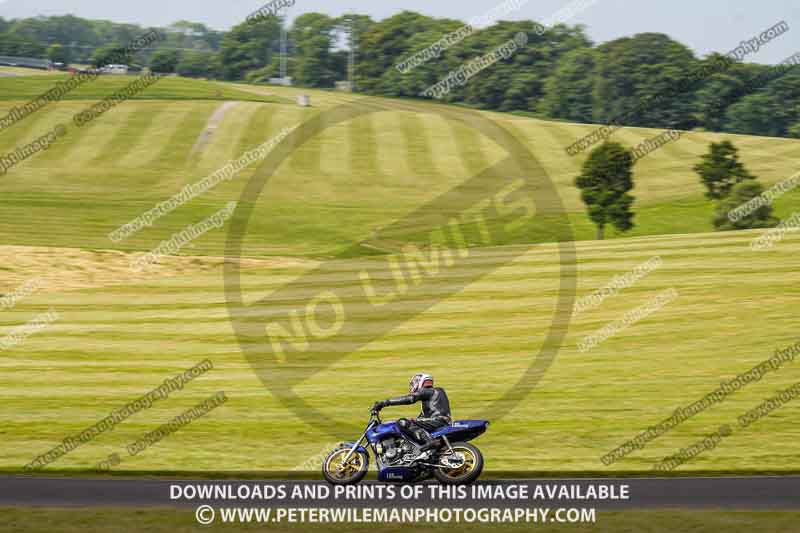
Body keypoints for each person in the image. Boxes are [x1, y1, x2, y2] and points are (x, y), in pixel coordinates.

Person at [372, 373, 452, 460]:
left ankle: (430, 441)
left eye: (414, 383)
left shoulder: (427, 390)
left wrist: (385, 403)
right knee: (411, 423)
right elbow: (422, 418)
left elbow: (410, 399)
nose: (413, 386)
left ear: (420, 381)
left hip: (437, 420)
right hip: (439, 420)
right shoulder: (434, 394)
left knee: (403, 422)